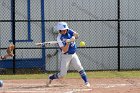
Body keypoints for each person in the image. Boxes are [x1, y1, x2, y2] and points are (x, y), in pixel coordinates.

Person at [47, 22, 90, 87]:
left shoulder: (69, 31)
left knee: (79, 67)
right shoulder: (59, 38)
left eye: (65, 29)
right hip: (65, 56)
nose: (64, 31)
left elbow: (77, 35)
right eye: (62, 30)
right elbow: (64, 50)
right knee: (62, 74)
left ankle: (86, 82)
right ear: (59, 30)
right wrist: (67, 43)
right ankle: (51, 77)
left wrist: (73, 37)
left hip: (73, 54)